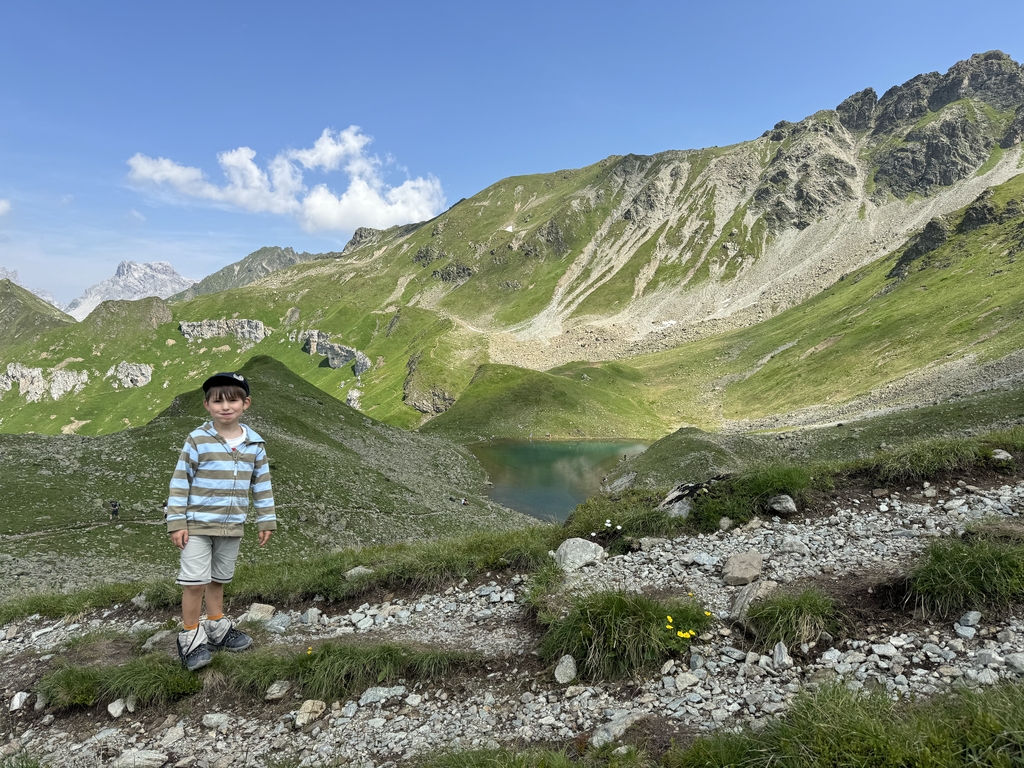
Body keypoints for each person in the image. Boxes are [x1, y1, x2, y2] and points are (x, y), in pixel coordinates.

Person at [165, 372, 276, 671]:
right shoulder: (197, 440)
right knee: (194, 582)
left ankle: (217, 627)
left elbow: (261, 484)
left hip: (232, 526)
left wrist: (266, 520)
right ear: (207, 405)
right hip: (197, 525)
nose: (225, 407)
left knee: (219, 579)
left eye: (233, 400)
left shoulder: (255, 444)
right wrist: (177, 521)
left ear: (246, 403)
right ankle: (190, 638)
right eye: (217, 401)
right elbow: (180, 480)